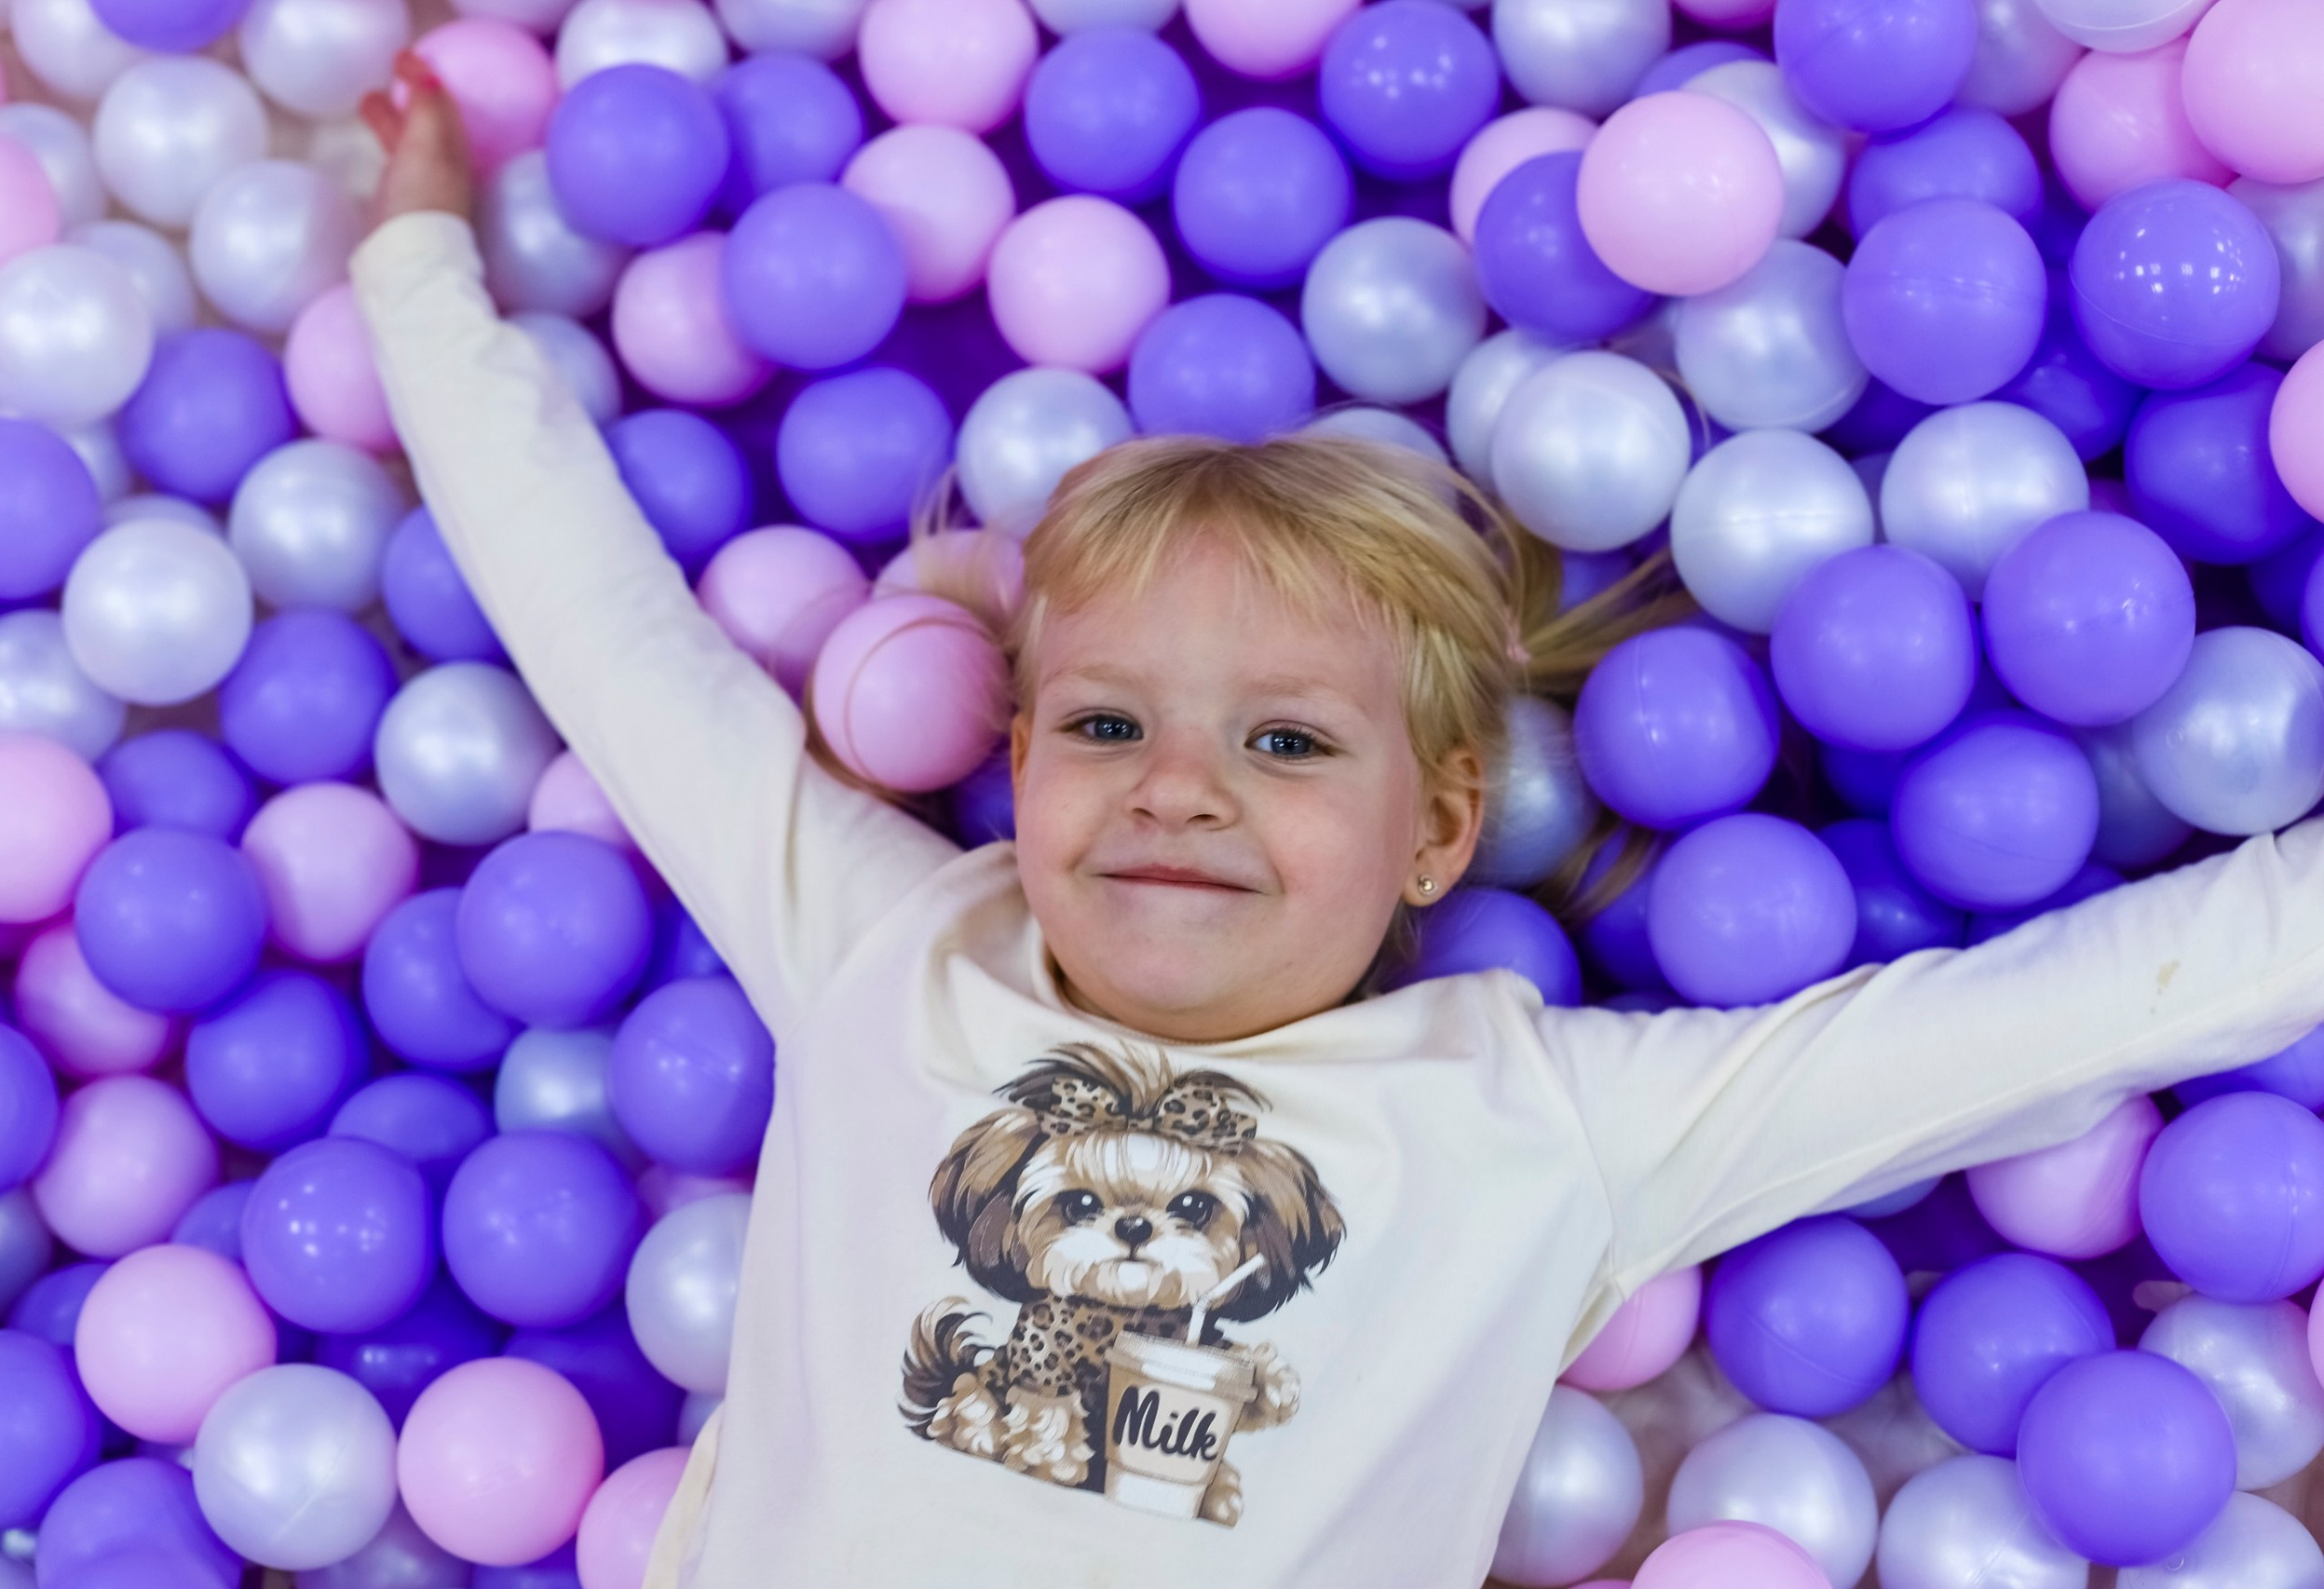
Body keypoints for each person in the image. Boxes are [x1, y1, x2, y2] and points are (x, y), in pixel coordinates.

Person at [355, 64, 2324, 1589]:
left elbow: (2053, 1018)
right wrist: (416, 252)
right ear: (1016, 759)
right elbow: (598, 632)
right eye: (1105, 723)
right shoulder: (889, 939)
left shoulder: (1533, 1119)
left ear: (1439, 829)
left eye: (1287, 740)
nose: (1176, 783)